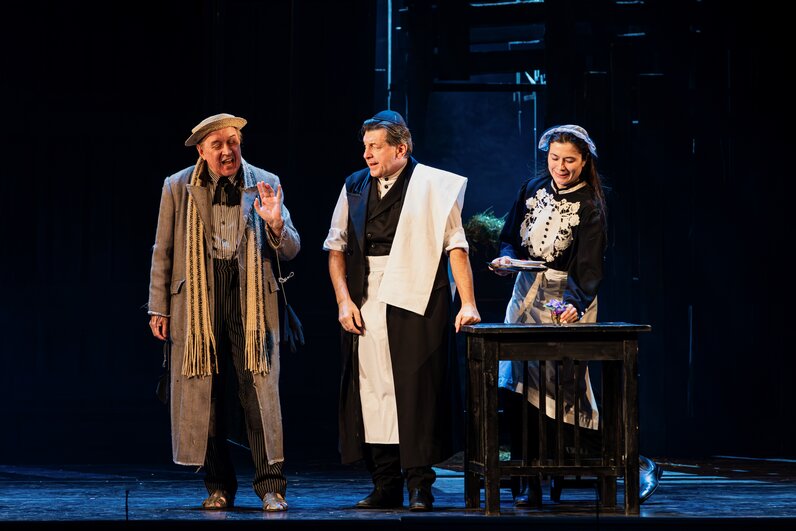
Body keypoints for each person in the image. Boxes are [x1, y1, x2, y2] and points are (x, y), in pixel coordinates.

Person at [490, 124, 660, 505]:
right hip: (524, 298)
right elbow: (509, 235)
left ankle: (626, 460)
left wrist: (575, 303)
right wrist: (506, 259)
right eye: (555, 158)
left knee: (561, 391)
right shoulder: (532, 188)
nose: (561, 167)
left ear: (584, 162)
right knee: (518, 385)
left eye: (569, 160)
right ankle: (529, 476)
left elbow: (589, 266)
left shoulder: (590, 204)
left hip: (564, 300)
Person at [323, 110, 481, 512]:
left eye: (375, 147)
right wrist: (343, 300)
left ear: (401, 149)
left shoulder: (432, 185)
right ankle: (385, 483)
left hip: (419, 292)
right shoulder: (354, 186)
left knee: (415, 391)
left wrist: (468, 302)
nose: (367, 155)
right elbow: (336, 248)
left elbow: (456, 246)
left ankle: (419, 484)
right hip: (366, 294)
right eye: (365, 147)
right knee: (372, 391)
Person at [147, 113, 300, 512]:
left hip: (250, 297)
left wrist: (276, 224)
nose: (228, 151)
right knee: (206, 393)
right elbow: (163, 250)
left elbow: (292, 248)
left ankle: (271, 486)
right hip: (197, 300)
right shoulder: (177, 186)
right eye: (217, 145)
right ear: (202, 151)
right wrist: (158, 307)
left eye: (233, 142)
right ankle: (218, 486)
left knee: (257, 392)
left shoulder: (264, 181)